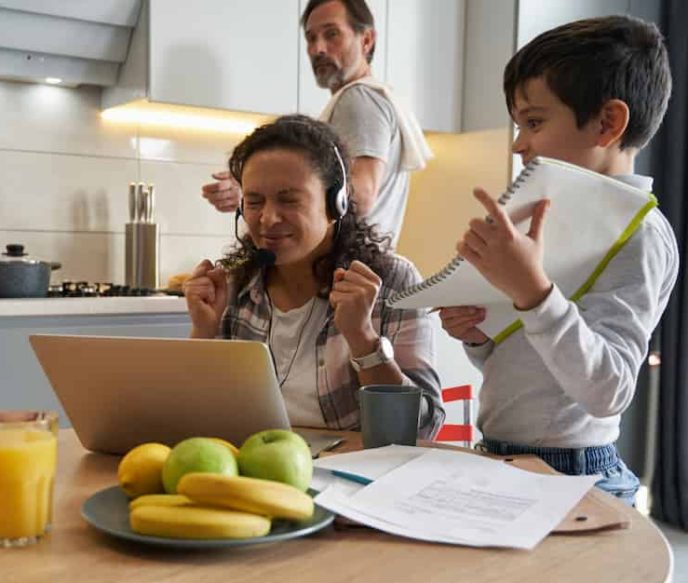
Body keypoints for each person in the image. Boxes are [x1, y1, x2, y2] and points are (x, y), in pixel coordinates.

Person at [439, 15, 675, 506]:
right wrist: (480, 337)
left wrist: (533, 294)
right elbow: (529, 367)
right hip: (503, 456)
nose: (518, 143)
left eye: (534, 121)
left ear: (607, 123)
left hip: (574, 474)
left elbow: (608, 389)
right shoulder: (548, 221)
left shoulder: (640, 236)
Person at [184, 115, 443, 433]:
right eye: (253, 201)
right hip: (253, 470)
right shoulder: (236, 285)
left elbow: (422, 429)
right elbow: (195, 420)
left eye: (288, 200)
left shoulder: (392, 281)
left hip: (355, 474)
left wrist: (362, 337)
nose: (267, 218)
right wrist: (203, 332)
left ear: (337, 203)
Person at [201, 0, 432, 246]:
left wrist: (261, 193)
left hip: (346, 271)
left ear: (366, 40)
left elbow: (361, 196)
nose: (318, 48)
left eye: (332, 34)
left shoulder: (358, 99)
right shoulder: (371, 98)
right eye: (311, 38)